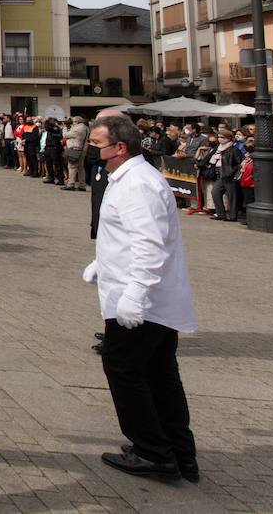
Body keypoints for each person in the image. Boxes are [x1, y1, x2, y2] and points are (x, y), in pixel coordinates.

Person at [83, 115, 198, 483]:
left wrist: (135, 294)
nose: (91, 151)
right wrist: (103, 260)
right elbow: (128, 235)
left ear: (119, 147)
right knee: (159, 373)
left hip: (143, 302)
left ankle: (153, 451)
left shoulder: (138, 185)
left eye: (96, 144)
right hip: (145, 297)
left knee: (124, 369)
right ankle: (179, 452)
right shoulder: (129, 178)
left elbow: (150, 244)